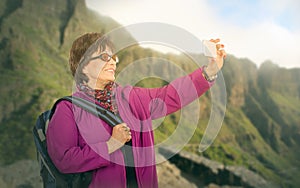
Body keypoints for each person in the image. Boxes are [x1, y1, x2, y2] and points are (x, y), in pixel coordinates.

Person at [46, 32, 226, 188]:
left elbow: (171, 95)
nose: (113, 62)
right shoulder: (68, 109)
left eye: (113, 57)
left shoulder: (130, 97)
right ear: (82, 65)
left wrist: (209, 71)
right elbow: (64, 160)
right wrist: (110, 145)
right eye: (104, 57)